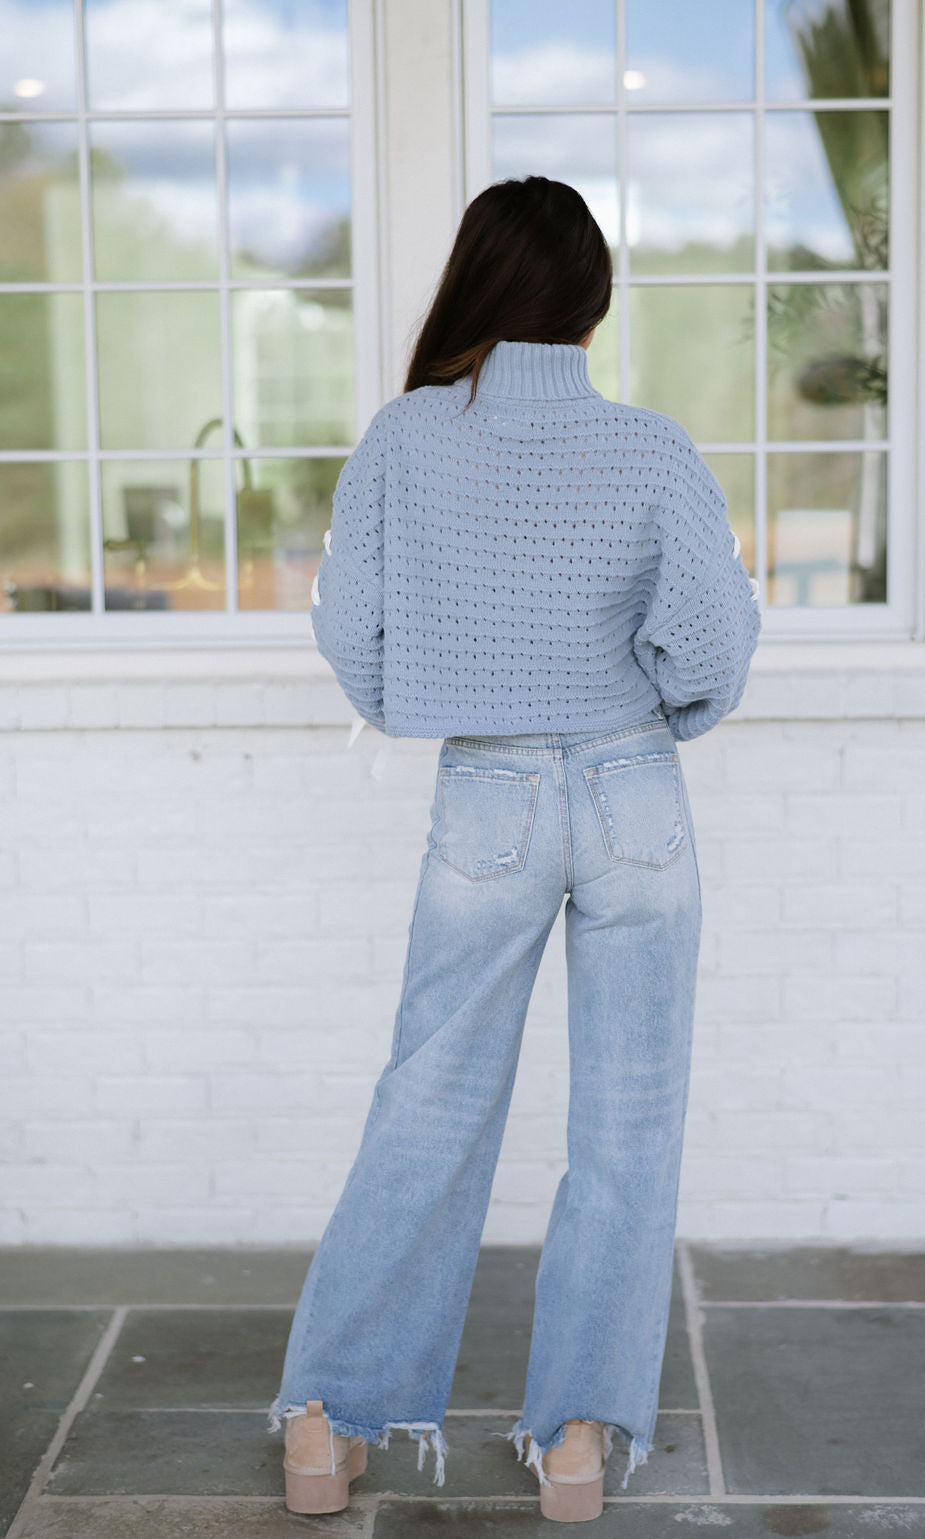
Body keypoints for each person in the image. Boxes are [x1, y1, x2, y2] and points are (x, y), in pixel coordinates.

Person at [267, 174, 761, 1523]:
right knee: (629, 1129)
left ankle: (323, 1427)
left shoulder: (404, 439)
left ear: (475, 287)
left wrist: (425, 697)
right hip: (633, 795)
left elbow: (349, 636)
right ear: (590, 300)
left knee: (425, 1105)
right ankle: (578, 1451)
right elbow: (713, 650)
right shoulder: (655, 449)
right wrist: (667, 703)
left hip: (482, 796)